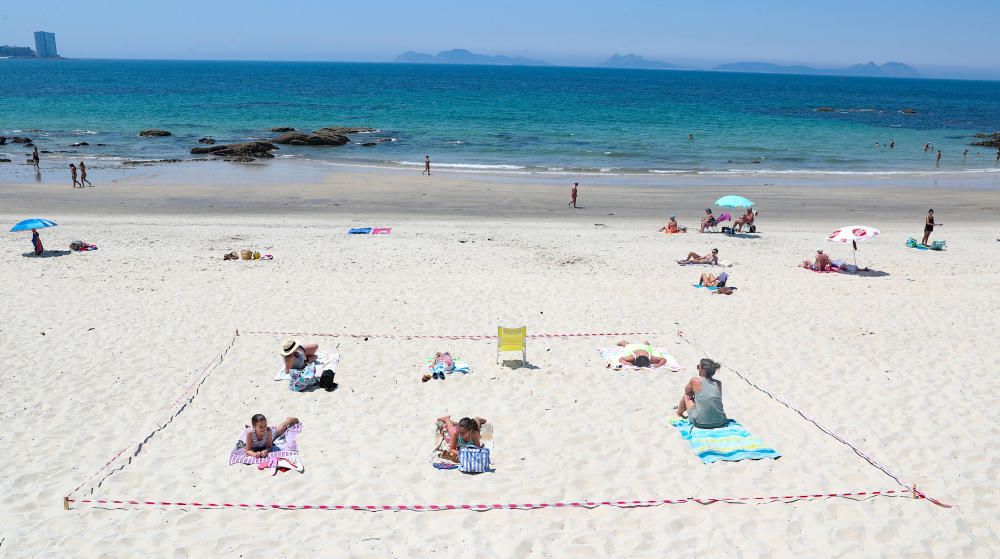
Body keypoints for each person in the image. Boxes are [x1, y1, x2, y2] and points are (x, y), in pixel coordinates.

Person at [676, 359, 727, 428]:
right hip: (721, 421)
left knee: (686, 395)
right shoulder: (718, 383)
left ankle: (679, 413)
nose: (698, 369)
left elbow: (687, 390)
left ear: (703, 370)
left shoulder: (695, 381)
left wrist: (692, 392)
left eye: (698, 367)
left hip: (701, 423)